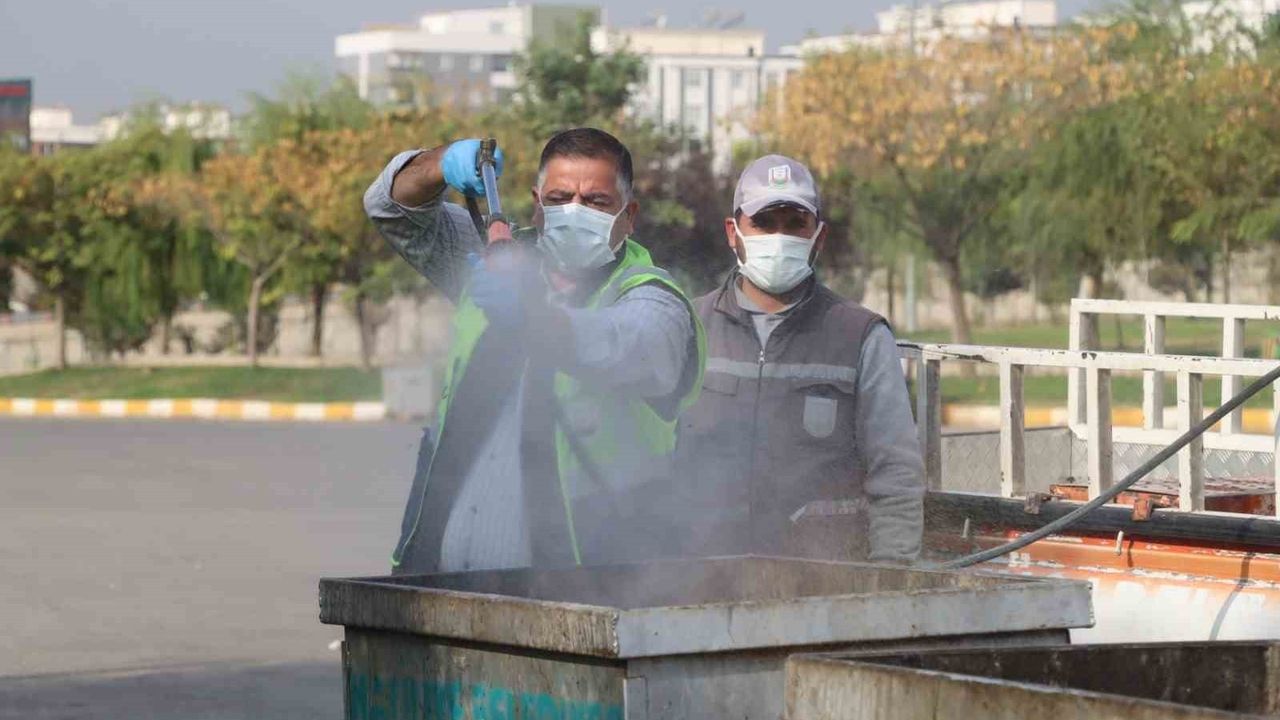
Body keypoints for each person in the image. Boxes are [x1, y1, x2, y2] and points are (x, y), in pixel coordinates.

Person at [366, 128, 705, 575]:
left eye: (596, 201)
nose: (574, 212)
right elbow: (391, 208)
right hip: (439, 587)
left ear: (629, 215)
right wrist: (442, 163)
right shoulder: (495, 259)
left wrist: (531, 317)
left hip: (580, 597)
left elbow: (623, 341)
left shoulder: (651, 297)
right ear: (536, 204)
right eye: (560, 197)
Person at [675, 154, 924, 564]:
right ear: (733, 232)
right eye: (764, 223)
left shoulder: (860, 335)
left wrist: (889, 579)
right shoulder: (688, 327)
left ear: (818, 237)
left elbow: (895, 474)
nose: (779, 237)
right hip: (703, 580)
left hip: (824, 586)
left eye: (795, 225)